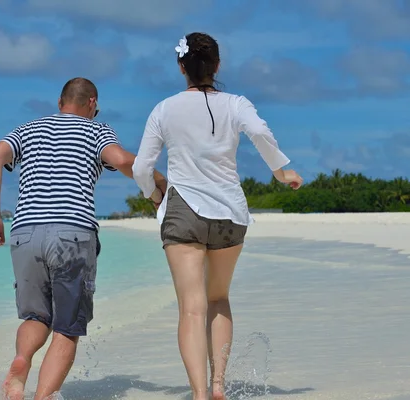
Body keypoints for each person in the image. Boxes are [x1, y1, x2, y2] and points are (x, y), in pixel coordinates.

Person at [132, 33, 303, 400]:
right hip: (230, 212)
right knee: (218, 299)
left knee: (191, 309)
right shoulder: (236, 103)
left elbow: (141, 167)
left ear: (181, 67)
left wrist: (154, 195)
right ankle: (219, 385)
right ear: (218, 65)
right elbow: (259, 131)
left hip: (184, 212)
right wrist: (281, 172)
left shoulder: (164, 109)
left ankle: (198, 393)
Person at [0, 77, 167, 400]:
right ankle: (43, 397)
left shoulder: (28, 129)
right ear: (92, 103)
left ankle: (22, 362)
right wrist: (156, 184)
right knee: (66, 328)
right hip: (71, 234)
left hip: (24, 232)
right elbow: (123, 160)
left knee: (35, 317)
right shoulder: (97, 130)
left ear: (60, 102)